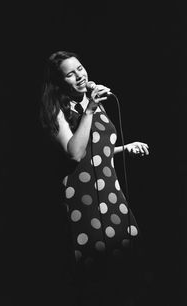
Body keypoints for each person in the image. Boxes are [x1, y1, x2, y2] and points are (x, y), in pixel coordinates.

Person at [40, 50, 149, 306]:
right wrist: (89, 109)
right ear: (59, 81)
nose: (79, 76)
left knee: (128, 259)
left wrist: (125, 147)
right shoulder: (57, 109)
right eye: (70, 74)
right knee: (96, 271)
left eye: (80, 68)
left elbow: (97, 150)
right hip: (84, 199)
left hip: (111, 191)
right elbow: (76, 153)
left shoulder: (94, 101)